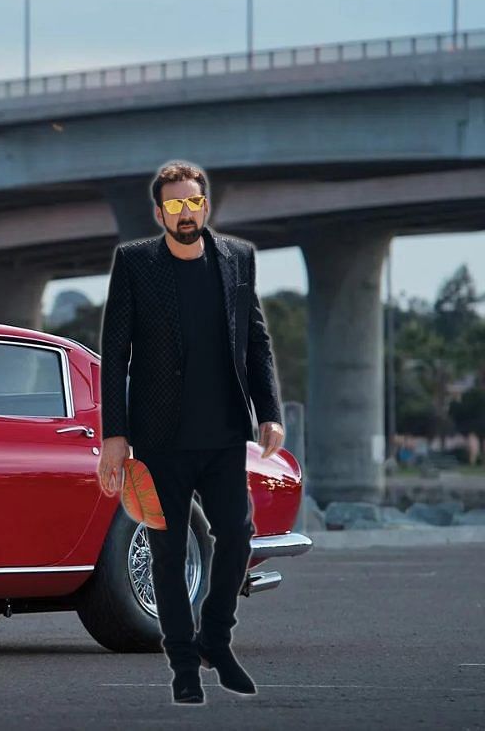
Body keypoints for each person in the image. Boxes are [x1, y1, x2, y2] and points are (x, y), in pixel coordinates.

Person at [96, 161, 286, 705]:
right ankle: (183, 661)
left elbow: (256, 340)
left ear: (206, 205)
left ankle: (216, 641)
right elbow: (116, 353)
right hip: (160, 438)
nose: (186, 213)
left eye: (193, 202)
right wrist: (117, 434)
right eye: (174, 205)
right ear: (160, 212)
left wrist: (269, 410)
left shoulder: (237, 259)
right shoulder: (135, 264)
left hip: (225, 432)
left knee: (238, 534)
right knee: (167, 550)